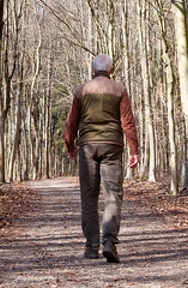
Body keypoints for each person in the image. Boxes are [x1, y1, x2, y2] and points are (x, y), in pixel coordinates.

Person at [63, 54, 139, 263]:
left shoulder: (82, 90)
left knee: (89, 197)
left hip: (87, 146)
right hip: (112, 146)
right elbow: (128, 123)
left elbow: (71, 123)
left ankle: (90, 247)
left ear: (93, 69)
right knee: (113, 194)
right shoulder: (119, 89)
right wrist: (134, 149)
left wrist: (70, 146)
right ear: (110, 70)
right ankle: (109, 242)